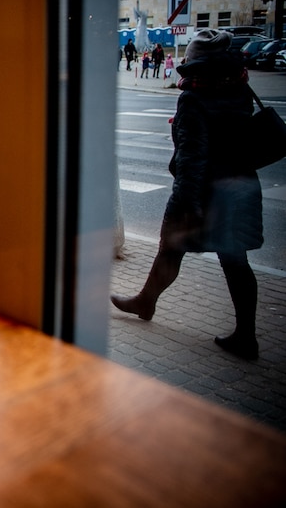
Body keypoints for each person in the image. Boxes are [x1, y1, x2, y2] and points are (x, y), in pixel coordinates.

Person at [110, 29, 263, 359]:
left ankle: (146, 301)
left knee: (171, 248)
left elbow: (193, 158)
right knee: (236, 261)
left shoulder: (194, 98)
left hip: (204, 191)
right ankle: (246, 336)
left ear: (195, 60)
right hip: (241, 186)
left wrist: (185, 203)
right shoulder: (239, 87)